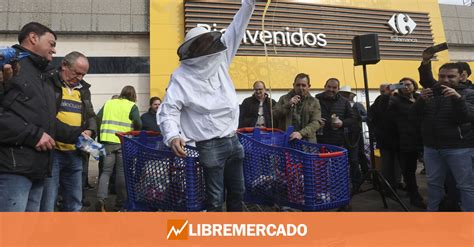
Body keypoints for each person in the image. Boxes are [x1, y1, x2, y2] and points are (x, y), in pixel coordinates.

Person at [159, 0, 257, 212]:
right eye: (200, 43)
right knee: (214, 198)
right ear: (192, 47)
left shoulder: (220, 58)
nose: (206, 46)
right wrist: (173, 135)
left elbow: (238, 26)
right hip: (208, 146)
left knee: (238, 192)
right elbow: (168, 110)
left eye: (207, 41)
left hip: (233, 139)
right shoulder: (181, 76)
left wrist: (251, 2)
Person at [0, 22, 58, 212]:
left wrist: (78, 134)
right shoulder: (8, 67)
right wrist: (33, 135)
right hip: (14, 167)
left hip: (38, 168)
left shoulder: (44, 75)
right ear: (33, 38)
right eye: (51, 43)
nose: (54, 50)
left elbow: (45, 119)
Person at [40, 52, 97, 212]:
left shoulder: (83, 90)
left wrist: (90, 130)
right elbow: (46, 118)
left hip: (75, 153)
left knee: (74, 202)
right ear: (64, 65)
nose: (79, 77)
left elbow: (91, 115)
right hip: (53, 153)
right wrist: (76, 134)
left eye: (83, 74)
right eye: (76, 73)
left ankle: (71, 234)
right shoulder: (49, 84)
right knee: (48, 202)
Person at [414, 62, 474, 211]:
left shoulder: (469, 94)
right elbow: (413, 116)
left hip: (459, 148)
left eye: (451, 76)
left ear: (461, 76)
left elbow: (466, 117)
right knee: (433, 183)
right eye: (442, 76)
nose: (445, 79)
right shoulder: (432, 93)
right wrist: (420, 100)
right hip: (432, 148)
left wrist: (457, 99)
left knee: (465, 185)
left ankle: (469, 222)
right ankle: (433, 215)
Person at [96, 85, 142, 211]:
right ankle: (121, 202)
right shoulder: (132, 106)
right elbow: (138, 122)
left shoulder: (109, 103)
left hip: (107, 141)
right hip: (123, 142)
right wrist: (135, 131)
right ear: (133, 96)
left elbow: (98, 119)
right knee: (122, 172)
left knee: (106, 172)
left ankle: (101, 199)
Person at [385, 77, 426, 209]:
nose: (406, 87)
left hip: (424, 138)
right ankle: (414, 196)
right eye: (402, 85)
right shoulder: (395, 100)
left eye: (409, 84)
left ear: (414, 85)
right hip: (406, 140)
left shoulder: (420, 97)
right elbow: (385, 112)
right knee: (409, 170)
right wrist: (387, 95)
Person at [316, 78, 358, 189]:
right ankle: (323, 191)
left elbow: (352, 119)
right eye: (329, 87)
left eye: (334, 88)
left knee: (338, 169)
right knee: (320, 170)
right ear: (324, 86)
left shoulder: (344, 102)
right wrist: (316, 121)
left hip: (338, 141)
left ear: (338, 89)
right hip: (319, 141)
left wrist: (342, 123)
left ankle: (338, 191)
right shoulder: (316, 99)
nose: (331, 89)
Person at [273, 73, 322, 143]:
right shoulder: (284, 99)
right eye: (298, 85)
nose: (300, 88)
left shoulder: (314, 102)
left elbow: (316, 122)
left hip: (307, 142)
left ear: (309, 86)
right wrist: (288, 105)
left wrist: (301, 133)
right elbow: (274, 115)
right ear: (293, 85)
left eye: (303, 85)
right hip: (286, 141)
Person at [339, 85, 369, 179]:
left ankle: (364, 175)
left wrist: (360, 119)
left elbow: (367, 117)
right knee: (351, 158)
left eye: (346, 94)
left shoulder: (357, 105)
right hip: (344, 134)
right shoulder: (339, 105)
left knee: (359, 155)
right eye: (343, 94)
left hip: (357, 134)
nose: (345, 96)